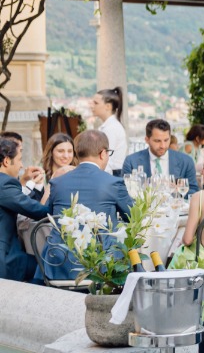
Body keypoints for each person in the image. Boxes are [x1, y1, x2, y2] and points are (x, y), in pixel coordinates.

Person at [39, 130, 132, 283]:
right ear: (103, 153)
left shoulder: (57, 182)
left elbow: (47, 215)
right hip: (101, 264)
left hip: (59, 262)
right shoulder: (113, 182)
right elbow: (132, 215)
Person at [0, 137, 49, 282]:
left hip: (10, 253)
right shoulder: (5, 183)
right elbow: (36, 210)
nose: (21, 165)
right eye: (20, 159)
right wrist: (49, 194)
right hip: (6, 258)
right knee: (47, 268)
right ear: (7, 161)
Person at [122, 119, 199, 194]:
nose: (163, 146)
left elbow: (194, 191)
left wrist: (178, 191)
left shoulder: (186, 161)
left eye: (166, 140)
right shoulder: (131, 161)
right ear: (147, 140)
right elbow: (124, 192)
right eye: (157, 141)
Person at [91, 87, 126, 174]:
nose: (92, 105)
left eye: (96, 103)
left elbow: (107, 159)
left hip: (112, 174)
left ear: (108, 106)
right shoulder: (108, 126)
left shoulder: (111, 128)